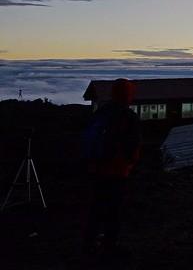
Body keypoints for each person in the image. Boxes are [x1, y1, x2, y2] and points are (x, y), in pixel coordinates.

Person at [82, 78, 141, 257]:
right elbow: (133, 146)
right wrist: (130, 164)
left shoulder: (102, 112)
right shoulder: (128, 116)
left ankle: (89, 242)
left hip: (96, 168)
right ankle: (110, 244)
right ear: (128, 94)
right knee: (114, 209)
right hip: (117, 170)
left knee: (96, 206)